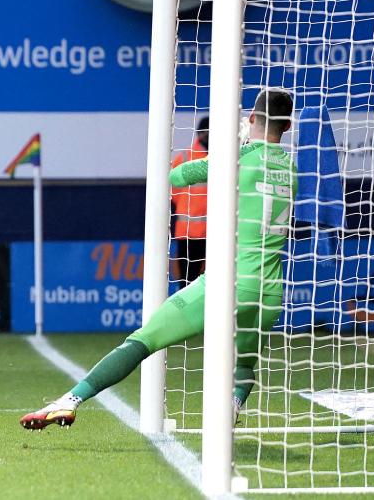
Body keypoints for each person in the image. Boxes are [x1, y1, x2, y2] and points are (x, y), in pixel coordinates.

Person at [20, 89, 296, 429]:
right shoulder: (291, 167)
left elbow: (176, 177)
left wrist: (228, 148)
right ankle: (233, 405)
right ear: (287, 126)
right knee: (244, 364)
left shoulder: (235, 158)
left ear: (251, 118)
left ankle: (69, 401)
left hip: (230, 283)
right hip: (270, 292)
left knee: (144, 339)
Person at [170, 117, 209, 288]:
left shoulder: (226, 158)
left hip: (215, 233)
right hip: (189, 234)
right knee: (187, 283)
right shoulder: (185, 158)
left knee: (215, 284)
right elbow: (174, 193)